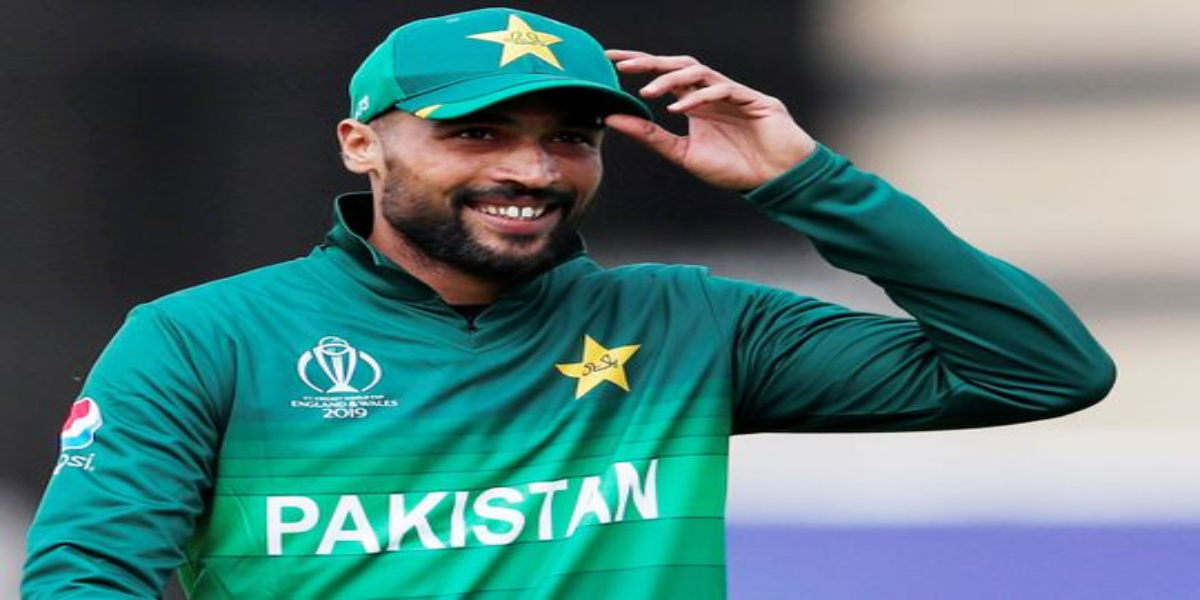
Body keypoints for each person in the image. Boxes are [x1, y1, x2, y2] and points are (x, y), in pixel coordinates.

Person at [23, 7, 1115, 599]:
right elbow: (88, 579)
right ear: (361, 143)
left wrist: (807, 182)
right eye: (477, 133)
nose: (533, 170)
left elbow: (1044, 371)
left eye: (570, 137)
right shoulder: (202, 338)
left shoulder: (689, 322)